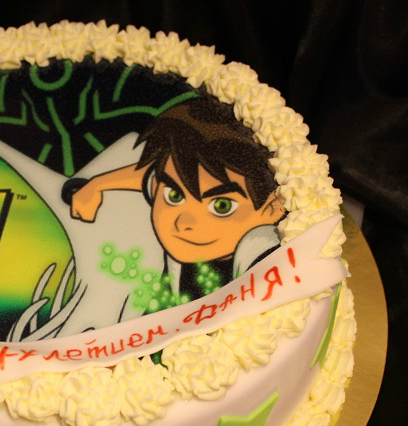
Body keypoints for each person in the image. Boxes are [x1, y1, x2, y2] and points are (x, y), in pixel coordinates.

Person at [66, 97, 285, 302]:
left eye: (221, 206)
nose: (184, 223)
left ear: (273, 208)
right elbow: (156, 175)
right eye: (175, 196)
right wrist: (96, 185)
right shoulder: (164, 181)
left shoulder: (261, 251)